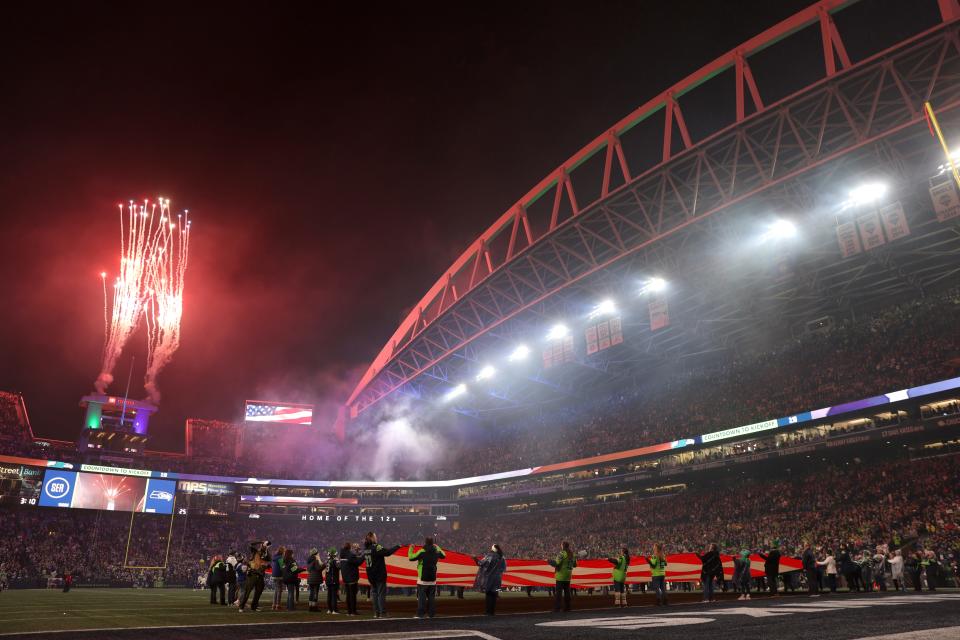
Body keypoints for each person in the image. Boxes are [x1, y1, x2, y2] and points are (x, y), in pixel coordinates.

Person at [363, 532, 402, 619]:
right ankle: (383, 613)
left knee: (375, 594)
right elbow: (388, 552)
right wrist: (397, 546)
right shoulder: (376, 547)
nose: (377, 537)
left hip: (370, 575)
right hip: (379, 574)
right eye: (375, 536)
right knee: (381, 594)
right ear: (373, 538)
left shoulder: (366, 549)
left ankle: (376, 613)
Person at [409, 536, 446, 619]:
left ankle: (420, 614)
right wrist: (438, 547)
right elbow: (444, 555)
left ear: (425, 542)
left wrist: (411, 549)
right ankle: (431, 614)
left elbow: (411, 558)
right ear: (433, 543)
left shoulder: (422, 551)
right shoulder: (436, 551)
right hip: (432, 579)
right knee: (431, 598)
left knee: (422, 598)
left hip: (422, 579)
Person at [238, 540, 270, 612]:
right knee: (247, 592)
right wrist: (260, 541)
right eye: (264, 545)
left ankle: (254, 607)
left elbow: (268, 561)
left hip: (261, 575)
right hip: (252, 574)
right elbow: (250, 544)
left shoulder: (266, 554)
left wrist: (266, 566)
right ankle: (241, 607)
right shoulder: (255, 552)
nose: (265, 546)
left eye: (266, 546)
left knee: (258, 592)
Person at [475, 544, 507, 615]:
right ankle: (492, 612)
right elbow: (504, 569)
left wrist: (475, 559)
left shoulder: (489, 556)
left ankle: (488, 611)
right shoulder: (502, 557)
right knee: (494, 595)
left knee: (488, 594)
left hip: (489, 579)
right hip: (498, 579)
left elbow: (480, 563)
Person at [549, 541, 576, 613]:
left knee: (558, 593)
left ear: (563, 546)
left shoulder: (562, 553)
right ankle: (568, 608)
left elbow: (556, 563)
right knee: (567, 593)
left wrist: (548, 561)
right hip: (568, 576)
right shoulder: (572, 554)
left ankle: (557, 608)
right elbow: (575, 565)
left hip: (560, 575)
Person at [339, 542, 364, 615]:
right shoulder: (350, 555)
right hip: (352, 577)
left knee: (348, 595)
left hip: (346, 578)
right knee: (352, 595)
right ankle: (353, 611)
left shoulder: (342, 555)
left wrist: (357, 553)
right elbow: (358, 562)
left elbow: (353, 559)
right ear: (349, 548)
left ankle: (349, 611)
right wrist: (363, 555)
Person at [306, 548, 324, 612]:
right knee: (315, 593)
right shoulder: (315, 561)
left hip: (310, 578)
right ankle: (314, 607)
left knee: (311, 593)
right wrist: (324, 565)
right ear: (315, 554)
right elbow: (318, 568)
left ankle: (310, 606)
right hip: (316, 579)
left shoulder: (309, 561)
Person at [324, 547, 341, 614]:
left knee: (329, 595)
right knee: (334, 595)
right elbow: (339, 566)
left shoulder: (328, 561)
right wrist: (339, 561)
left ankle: (329, 609)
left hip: (328, 580)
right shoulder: (334, 560)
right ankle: (334, 610)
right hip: (333, 579)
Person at [271, 545, 287, 611]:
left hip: (274, 575)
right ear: (282, 551)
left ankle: (274, 605)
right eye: (284, 551)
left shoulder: (275, 557)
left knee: (276, 591)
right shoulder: (280, 558)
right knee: (279, 591)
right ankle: (278, 605)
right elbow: (282, 567)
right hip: (279, 576)